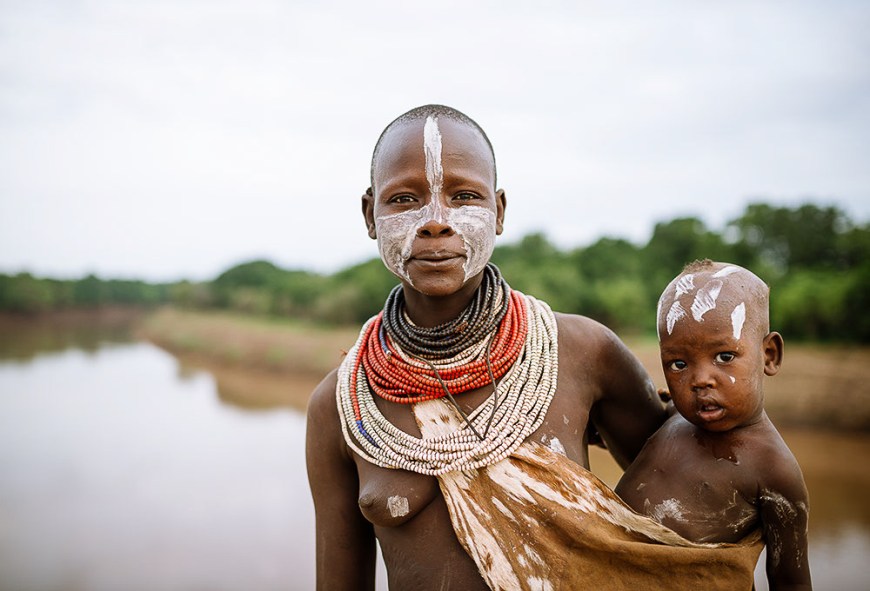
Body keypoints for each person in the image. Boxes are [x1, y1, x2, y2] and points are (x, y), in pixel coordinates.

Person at [305, 104, 668, 590]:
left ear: (498, 212)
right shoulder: (341, 405)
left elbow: (680, 507)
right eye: (405, 199)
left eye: (464, 196)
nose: (436, 222)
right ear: (371, 214)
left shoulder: (584, 352)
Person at [615, 260, 812, 590]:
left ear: (769, 355)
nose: (699, 380)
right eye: (678, 364)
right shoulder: (675, 416)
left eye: (724, 357)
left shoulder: (774, 468)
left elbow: (791, 581)